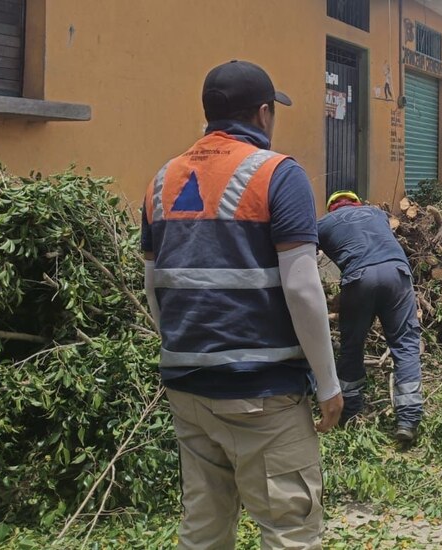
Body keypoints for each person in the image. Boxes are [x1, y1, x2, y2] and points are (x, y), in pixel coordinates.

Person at [142, 60, 343, 549]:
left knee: (205, 531)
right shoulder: (278, 174)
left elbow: (155, 289)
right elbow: (301, 288)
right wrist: (330, 385)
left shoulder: (162, 181)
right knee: (290, 530)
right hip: (262, 393)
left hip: (188, 391)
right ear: (263, 114)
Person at [318, 191, 424, 442]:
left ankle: (352, 414)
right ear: (356, 202)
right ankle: (408, 419)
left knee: (352, 347)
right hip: (397, 274)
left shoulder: (322, 224)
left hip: (358, 279)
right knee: (405, 344)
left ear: (332, 207)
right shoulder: (377, 212)